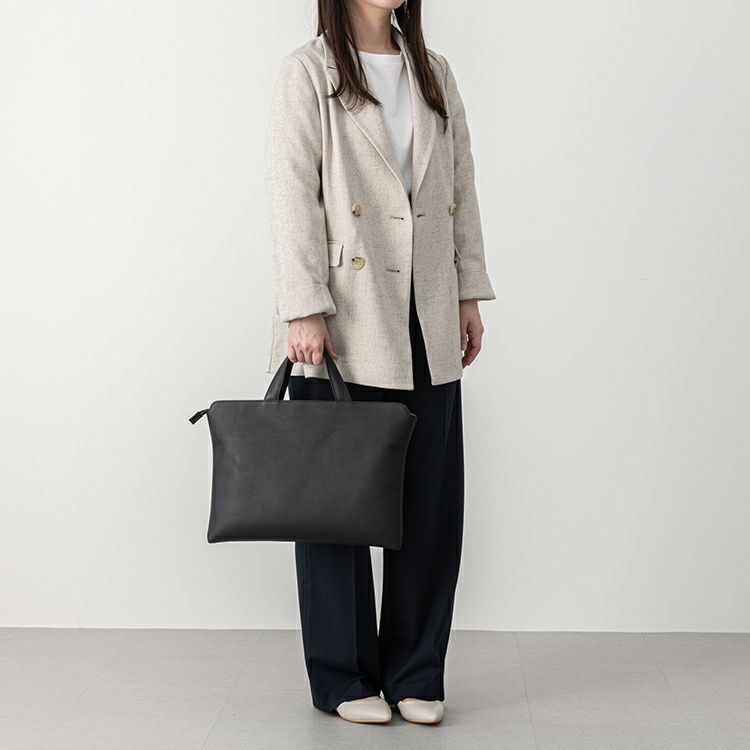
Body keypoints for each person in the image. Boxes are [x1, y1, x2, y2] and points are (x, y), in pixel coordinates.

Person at [263, 0, 496, 725]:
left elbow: (460, 187)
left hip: (426, 312)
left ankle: (416, 672)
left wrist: (467, 290)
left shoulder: (434, 72)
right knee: (333, 507)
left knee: (430, 504)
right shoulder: (308, 73)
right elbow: (291, 192)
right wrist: (303, 305)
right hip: (342, 318)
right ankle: (343, 676)